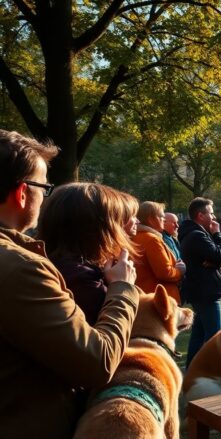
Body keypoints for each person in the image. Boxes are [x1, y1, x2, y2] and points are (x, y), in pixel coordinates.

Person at [0, 130, 138, 437]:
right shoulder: (20, 269)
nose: (45, 196)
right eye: (44, 187)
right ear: (23, 193)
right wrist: (122, 289)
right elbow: (97, 362)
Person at [38, 183, 140, 325]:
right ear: (100, 229)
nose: (122, 231)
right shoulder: (82, 279)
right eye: (118, 222)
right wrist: (121, 285)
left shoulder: (50, 263)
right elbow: (106, 343)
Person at [179, 197, 221, 367]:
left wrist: (215, 260)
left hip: (202, 291)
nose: (214, 217)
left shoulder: (196, 233)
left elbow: (217, 257)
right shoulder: (197, 235)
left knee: (199, 333)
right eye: (211, 213)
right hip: (207, 292)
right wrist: (218, 234)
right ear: (200, 215)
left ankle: (192, 369)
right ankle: (211, 371)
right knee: (215, 336)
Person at [132, 201, 185, 304]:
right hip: (161, 300)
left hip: (147, 297)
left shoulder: (137, 237)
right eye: (161, 216)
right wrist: (180, 271)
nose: (163, 219)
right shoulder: (152, 239)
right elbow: (165, 273)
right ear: (151, 220)